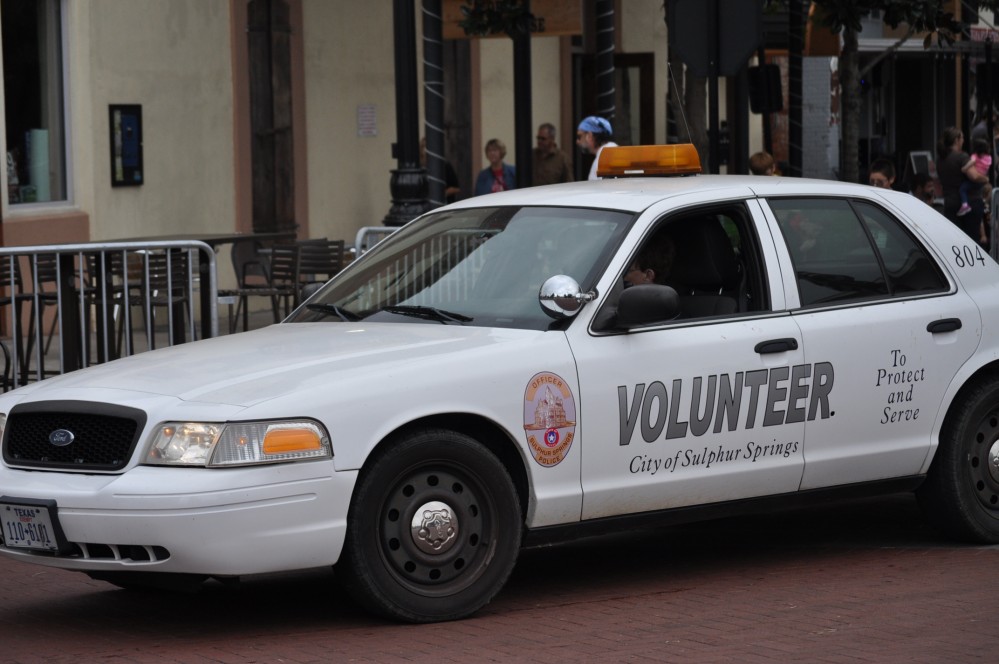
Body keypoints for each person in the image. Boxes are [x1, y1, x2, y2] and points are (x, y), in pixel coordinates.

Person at [938, 126, 989, 243]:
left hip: (950, 203)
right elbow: (974, 176)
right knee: (971, 242)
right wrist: (985, 178)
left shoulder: (941, 159)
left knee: (955, 242)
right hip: (969, 204)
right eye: (962, 138)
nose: (963, 140)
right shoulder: (962, 157)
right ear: (956, 140)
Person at [420, 137, 460, 204]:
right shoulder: (420, 168)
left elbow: (456, 188)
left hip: (444, 203)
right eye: (424, 147)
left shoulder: (445, 166)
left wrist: (440, 194)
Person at [958, 138, 992, 217]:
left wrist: (964, 169)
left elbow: (972, 162)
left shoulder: (975, 156)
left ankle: (965, 205)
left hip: (975, 180)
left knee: (962, 189)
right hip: (982, 181)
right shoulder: (989, 158)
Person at [576, 116, 617, 180]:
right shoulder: (613, 151)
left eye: (579, 136)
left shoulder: (603, 160)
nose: (577, 141)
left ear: (589, 136)